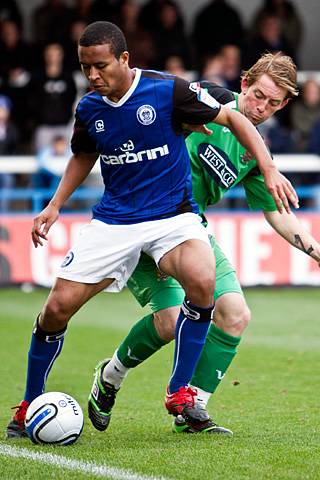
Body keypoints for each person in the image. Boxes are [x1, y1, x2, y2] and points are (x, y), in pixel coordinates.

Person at [6, 23, 297, 439]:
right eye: (85, 67)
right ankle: (34, 402)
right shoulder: (91, 108)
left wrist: (270, 168)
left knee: (210, 289)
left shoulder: (169, 92)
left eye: (99, 66)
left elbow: (234, 124)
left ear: (124, 59)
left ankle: (184, 397)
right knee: (57, 310)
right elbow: (83, 155)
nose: (92, 76)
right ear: (246, 84)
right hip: (116, 220)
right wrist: (54, 205)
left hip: (174, 218)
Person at [72, 53, 320, 435]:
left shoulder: (255, 153)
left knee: (235, 313)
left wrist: (315, 250)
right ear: (244, 84)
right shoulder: (206, 100)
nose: (261, 108)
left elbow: (277, 212)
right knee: (170, 322)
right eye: (258, 95)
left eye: (273, 103)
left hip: (188, 229)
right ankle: (110, 375)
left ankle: (192, 408)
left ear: (284, 104)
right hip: (137, 219)